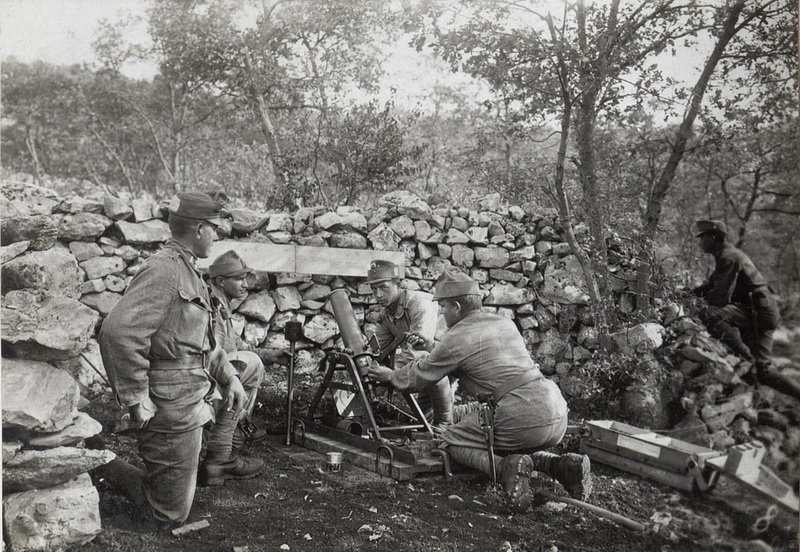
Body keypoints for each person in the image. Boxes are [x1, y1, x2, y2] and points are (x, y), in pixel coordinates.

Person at [98, 191, 263, 530]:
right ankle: (101, 462)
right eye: (214, 228)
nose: (216, 236)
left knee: (175, 504)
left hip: (190, 398)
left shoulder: (189, 271)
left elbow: (206, 345)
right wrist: (135, 397)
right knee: (169, 516)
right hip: (170, 404)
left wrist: (231, 377)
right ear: (199, 229)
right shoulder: (165, 270)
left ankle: (105, 461)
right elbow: (117, 333)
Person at [367, 270, 591, 513]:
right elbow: (474, 352)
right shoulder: (502, 322)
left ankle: (505, 468)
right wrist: (432, 346)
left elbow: (421, 375)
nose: (441, 313)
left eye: (443, 307)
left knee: (447, 438)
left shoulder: (456, 337)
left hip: (519, 413)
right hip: (554, 410)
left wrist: (390, 375)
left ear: (457, 307)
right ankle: (560, 466)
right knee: (506, 437)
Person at [693, 220, 800, 400]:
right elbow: (711, 284)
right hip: (761, 310)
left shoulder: (729, 257)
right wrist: (688, 293)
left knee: (709, 314)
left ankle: (745, 356)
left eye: (702, 238)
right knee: (762, 371)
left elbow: (719, 299)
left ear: (713, 237)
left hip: (758, 313)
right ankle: (762, 399)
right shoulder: (728, 255)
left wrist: (699, 301)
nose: (700, 242)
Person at [207, 250, 291, 446]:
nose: (245, 285)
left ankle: (235, 428)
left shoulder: (221, 307)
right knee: (251, 364)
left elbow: (235, 344)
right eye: (239, 279)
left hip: (214, 379)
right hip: (205, 382)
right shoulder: (214, 310)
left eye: (245, 278)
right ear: (220, 281)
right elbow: (213, 353)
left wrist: (270, 355)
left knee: (252, 358)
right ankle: (232, 436)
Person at [366, 260, 453, 427]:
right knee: (424, 420)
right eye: (373, 289)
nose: (378, 295)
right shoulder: (385, 315)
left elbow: (418, 350)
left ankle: (448, 428)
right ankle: (456, 422)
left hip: (449, 360)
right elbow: (378, 350)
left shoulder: (419, 303)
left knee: (441, 418)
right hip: (428, 362)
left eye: (383, 287)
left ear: (397, 284)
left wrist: (390, 375)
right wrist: (369, 367)